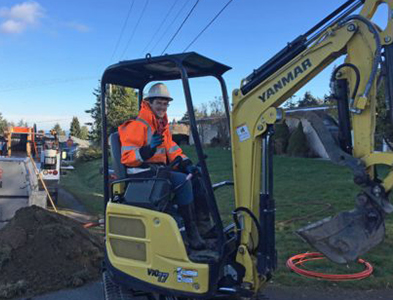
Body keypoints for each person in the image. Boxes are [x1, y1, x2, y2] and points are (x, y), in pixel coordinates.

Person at [118, 83, 206, 250]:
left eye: (165, 104)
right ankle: (191, 232)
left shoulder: (161, 126)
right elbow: (127, 158)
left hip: (158, 171)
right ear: (149, 103)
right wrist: (147, 150)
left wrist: (187, 164)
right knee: (183, 181)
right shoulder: (137, 126)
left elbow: (172, 149)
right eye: (159, 103)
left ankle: (203, 226)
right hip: (141, 173)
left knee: (195, 178)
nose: (162, 107)